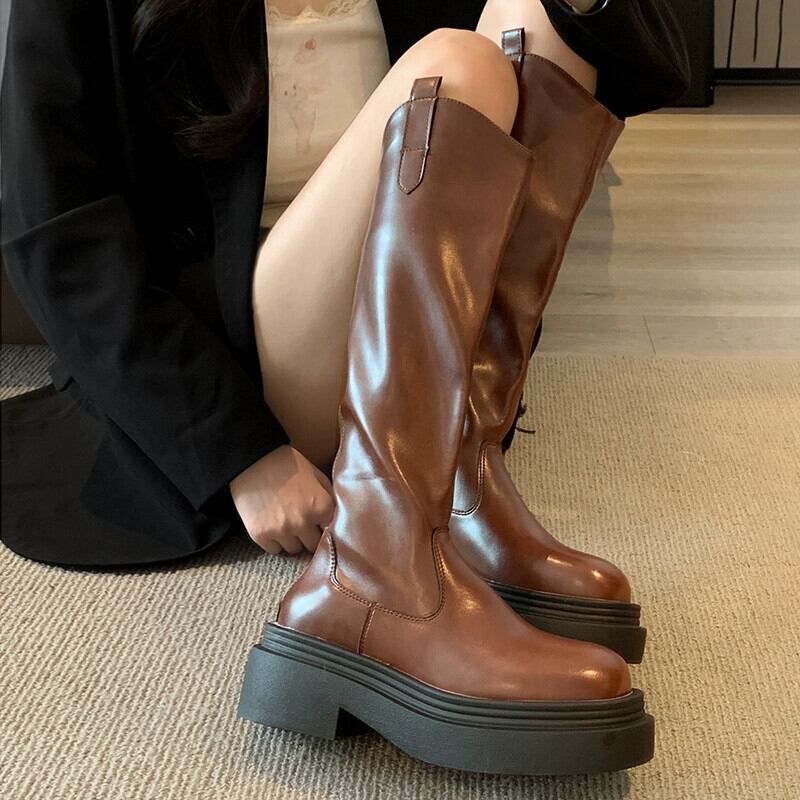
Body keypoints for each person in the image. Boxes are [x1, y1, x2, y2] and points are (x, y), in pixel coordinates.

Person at [1, 0, 689, 775]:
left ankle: (461, 480)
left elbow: (652, 65)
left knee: (545, 14)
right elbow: (57, 237)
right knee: (459, 66)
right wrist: (239, 452)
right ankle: (375, 573)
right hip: (232, 356)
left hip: (408, 359)